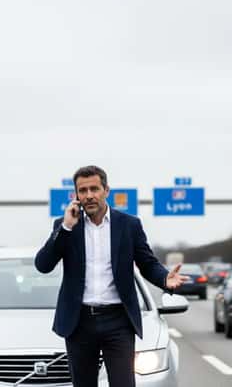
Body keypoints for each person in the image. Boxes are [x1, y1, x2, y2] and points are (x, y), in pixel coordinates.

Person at [35, 165, 190, 387]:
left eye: (94, 189)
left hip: (118, 321)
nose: (89, 196)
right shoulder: (66, 226)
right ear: (76, 195)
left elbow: (147, 263)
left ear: (106, 190)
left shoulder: (129, 225)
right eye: (83, 190)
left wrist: (165, 279)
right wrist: (66, 227)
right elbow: (43, 265)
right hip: (79, 322)